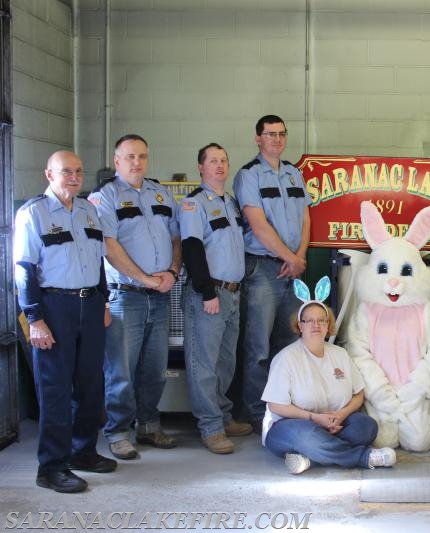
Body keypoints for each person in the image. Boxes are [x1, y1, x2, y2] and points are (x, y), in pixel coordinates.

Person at [14, 151, 116, 493]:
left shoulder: (89, 210)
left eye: (78, 171)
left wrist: (103, 300)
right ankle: (52, 466)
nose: (73, 177)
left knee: (90, 385)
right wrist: (35, 319)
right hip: (53, 307)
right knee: (56, 389)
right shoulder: (33, 214)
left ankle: (83, 452)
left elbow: (98, 261)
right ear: (49, 174)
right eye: (65, 172)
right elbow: (24, 269)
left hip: (90, 306)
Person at [89, 134, 182, 460]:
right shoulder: (105, 197)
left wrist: (171, 272)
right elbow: (109, 248)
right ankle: (118, 432)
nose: (136, 162)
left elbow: (175, 236)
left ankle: (149, 425)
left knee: (155, 368)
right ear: (117, 162)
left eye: (142, 156)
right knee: (121, 371)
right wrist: (145, 278)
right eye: (129, 157)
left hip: (158, 296)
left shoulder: (160, 192)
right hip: (125, 297)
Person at [262, 277, 396, 474]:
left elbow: (358, 394)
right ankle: (364, 457)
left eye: (321, 321)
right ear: (300, 326)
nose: (316, 325)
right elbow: (275, 405)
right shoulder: (286, 358)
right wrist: (315, 419)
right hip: (291, 426)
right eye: (309, 321)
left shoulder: (339, 354)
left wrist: (341, 415)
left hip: (333, 424)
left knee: (366, 426)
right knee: (307, 437)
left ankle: (310, 457)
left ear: (328, 325)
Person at [233, 114, 311, 432]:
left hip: (293, 269)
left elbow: (306, 218)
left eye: (281, 134)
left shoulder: (294, 173)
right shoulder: (247, 175)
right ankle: (254, 412)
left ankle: (283, 408)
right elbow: (258, 225)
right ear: (258, 138)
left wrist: (300, 257)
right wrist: (290, 257)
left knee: (289, 344)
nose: (277, 140)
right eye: (270, 134)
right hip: (263, 269)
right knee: (257, 349)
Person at [179, 143, 253, 454]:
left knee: (226, 361)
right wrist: (207, 292)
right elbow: (192, 249)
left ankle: (223, 416)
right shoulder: (193, 204)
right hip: (210, 294)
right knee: (204, 364)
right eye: (213, 161)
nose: (220, 166)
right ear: (201, 167)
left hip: (233, 292)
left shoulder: (232, 203)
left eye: (224, 160)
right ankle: (210, 427)